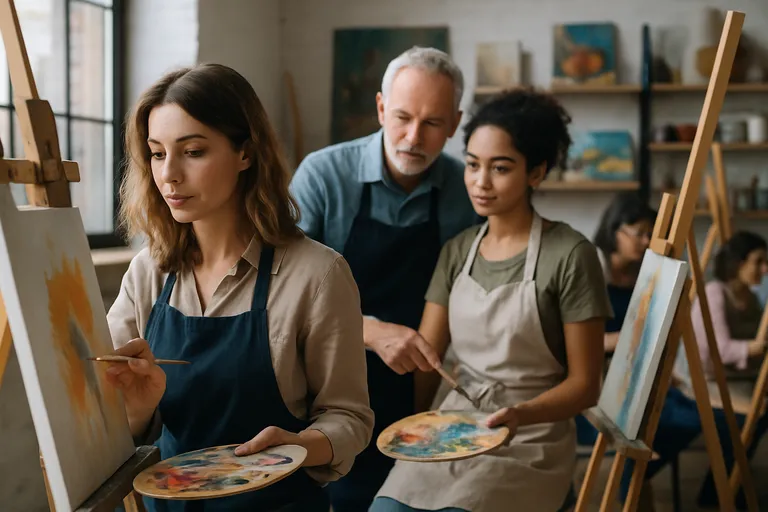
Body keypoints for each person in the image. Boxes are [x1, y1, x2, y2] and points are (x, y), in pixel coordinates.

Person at [104, 63, 374, 512]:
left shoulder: (318, 274)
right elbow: (108, 421)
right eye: (156, 153)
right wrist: (137, 408)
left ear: (246, 153)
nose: (169, 174)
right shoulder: (148, 273)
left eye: (192, 151)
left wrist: (301, 446)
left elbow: (350, 417)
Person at [369, 87, 613, 512]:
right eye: (472, 165)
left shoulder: (572, 255)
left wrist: (520, 414)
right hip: (453, 425)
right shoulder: (457, 251)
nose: (480, 183)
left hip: (532, 436)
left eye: (500, 168)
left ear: (535, 173)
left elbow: (585, 386)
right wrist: (417, 428)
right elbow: (430, 361)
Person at [289, 46, 479, 511]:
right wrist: (372, 333)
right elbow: (284, 292)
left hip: (420, 381)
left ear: (454, 125)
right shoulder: (322, 175)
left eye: (433, 123)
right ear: (379, 108)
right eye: (401, 117)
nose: (413, 137)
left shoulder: (464, 188)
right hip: (327, 376)